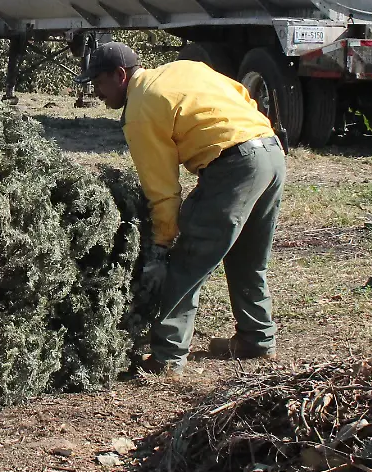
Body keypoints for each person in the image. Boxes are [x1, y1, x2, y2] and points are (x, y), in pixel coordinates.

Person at [75, 42, 285, 375]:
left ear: (119, 76)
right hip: (271, 153)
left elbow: (163, 191)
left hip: (234, 166)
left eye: (99, 83)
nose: (97, 93)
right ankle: (256, 339)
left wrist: (161, 245)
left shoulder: (140, 108)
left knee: (188, 260)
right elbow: (244, 96)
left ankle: (167, 357)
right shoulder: (183, 68)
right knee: (248, 259)